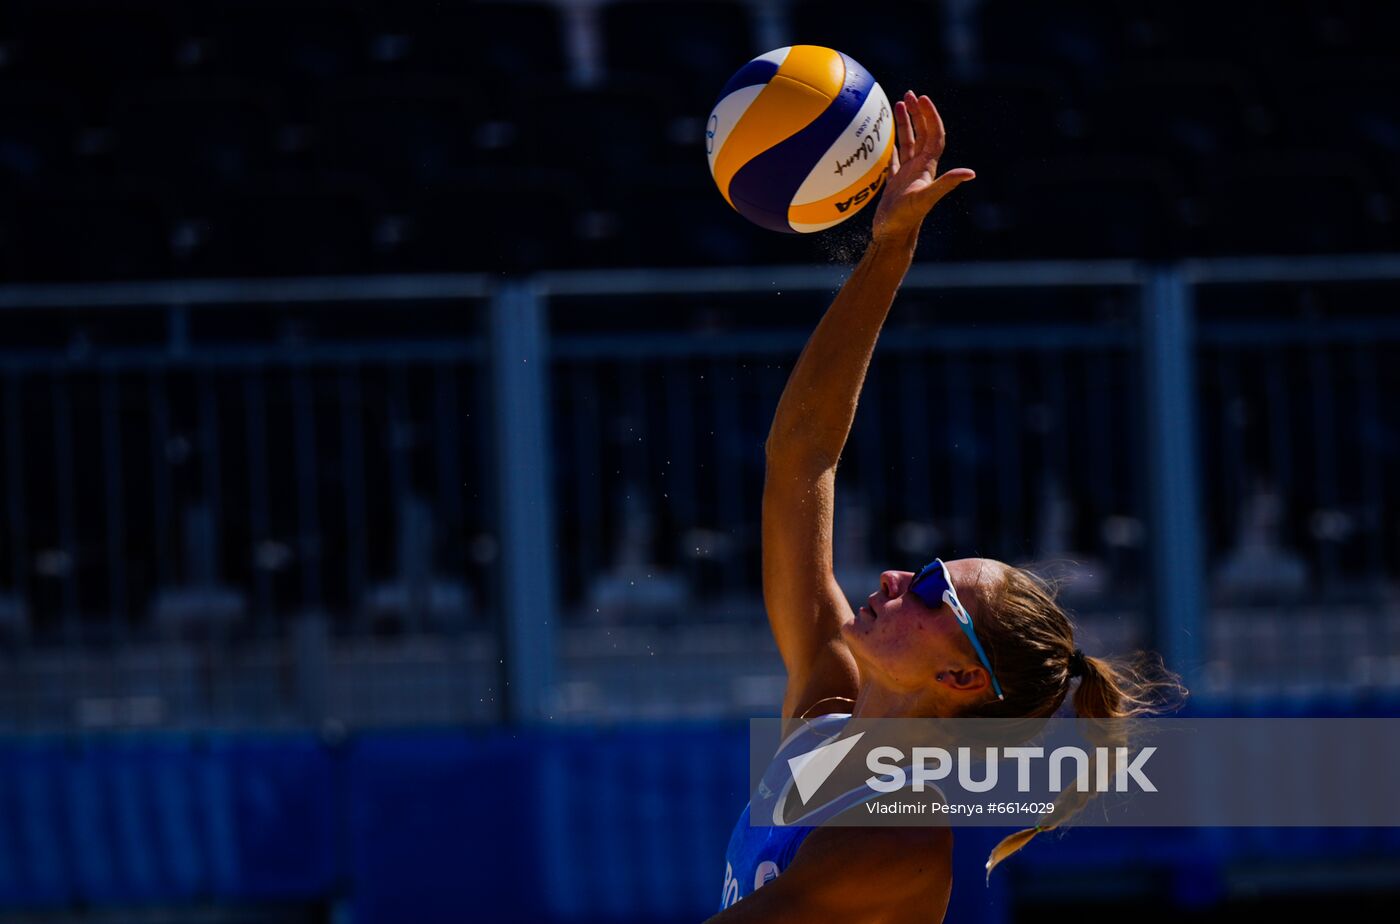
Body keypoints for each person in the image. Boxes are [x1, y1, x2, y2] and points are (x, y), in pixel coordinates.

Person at [707, 91, 1184, 923]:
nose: (899, 577)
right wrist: (889, 248)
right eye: (924, 571)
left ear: (961, 678)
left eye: (933, 590)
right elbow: (802, 457)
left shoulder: (895, 838)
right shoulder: (827, 708)